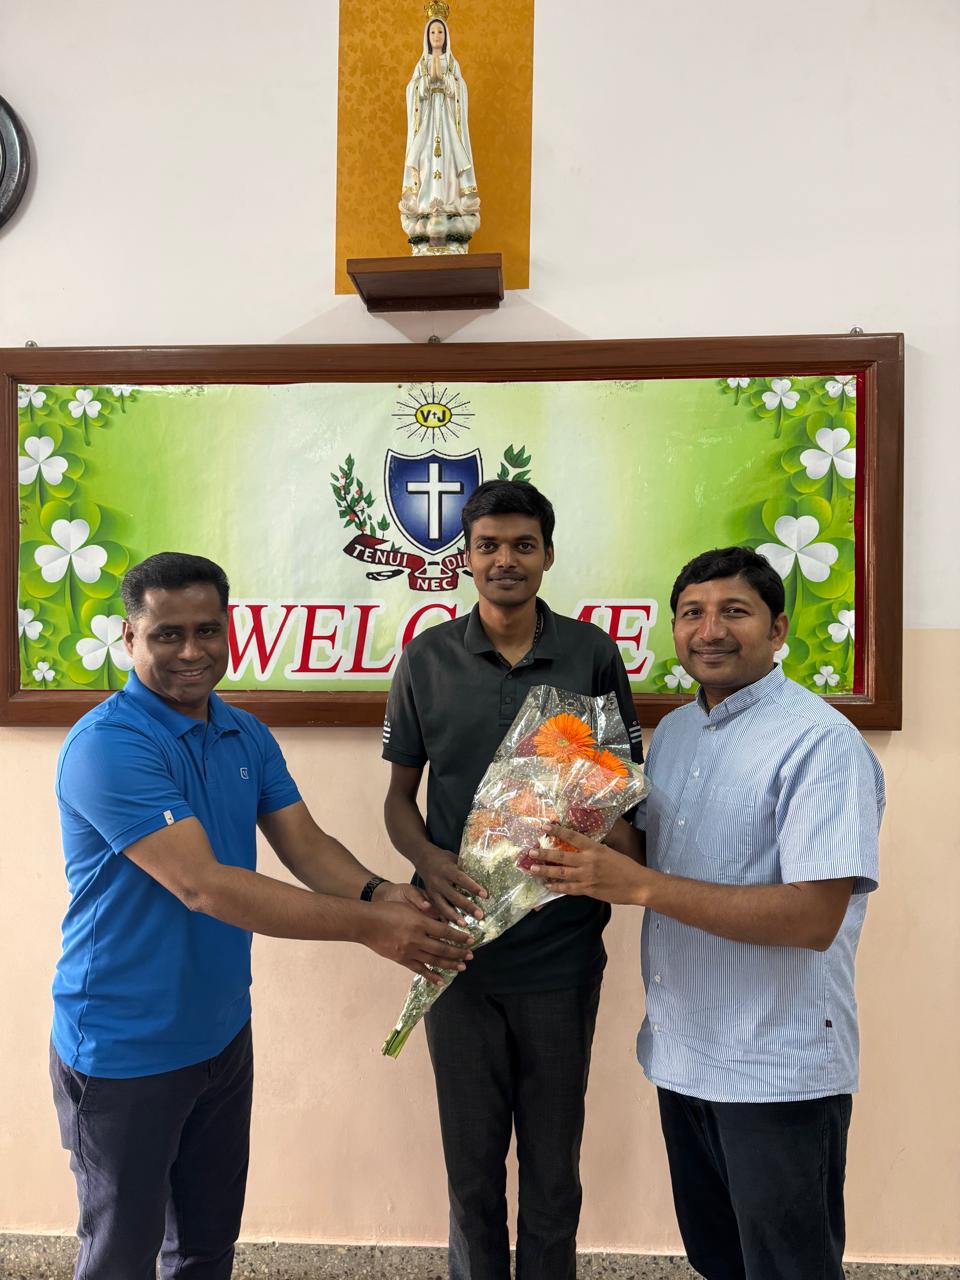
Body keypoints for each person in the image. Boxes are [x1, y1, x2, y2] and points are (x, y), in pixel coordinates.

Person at [50, 552, 472, 1280]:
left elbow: (304, 843)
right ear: (129, 637)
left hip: (220, 1037)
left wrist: (378, 893)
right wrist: (372, 929)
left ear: (229, 629)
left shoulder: (244, 732)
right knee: (120, 1257)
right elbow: (205, 886)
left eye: (207, 630)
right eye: (168, 634)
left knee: (206, 1249)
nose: (191, 651)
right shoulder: (108, 745)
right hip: (123, 1050)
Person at [529, 545, 884, 1280]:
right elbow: (653, 851)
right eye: (692, 613)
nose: (710, 630)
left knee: (788, 1268)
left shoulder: (819, 743)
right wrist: (572, 806)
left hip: (773, 1068)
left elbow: (812, 918)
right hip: (684, 1055)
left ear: (778, 629)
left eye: (734, 612)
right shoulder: (679, 733)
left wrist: (637, 885)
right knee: (718, 1260)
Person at [382, 480, 643, 1280]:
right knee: (471, 1172)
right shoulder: (425, 659)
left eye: (523, 545)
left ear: (548, 556)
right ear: (465, 558)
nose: (506, 560)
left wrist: (603, 848)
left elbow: (619, 792)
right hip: (455, 952)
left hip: (560, 952)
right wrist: (429, 860)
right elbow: (398, 800)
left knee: (553, 1172)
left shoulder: (592, 654)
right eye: (489, 545)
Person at [399, 13, 481, 250]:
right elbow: (412, 91)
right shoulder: (422, 65)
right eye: (433, 32)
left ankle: (450, 207)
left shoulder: (452, 64)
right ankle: (426, 208)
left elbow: (461, 89)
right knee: (426, 161)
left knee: (449, 164)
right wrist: (424, 84)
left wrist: (448, 83)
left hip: (446, 125)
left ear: (446, 36)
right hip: (427, 127)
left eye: (440, 32)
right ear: (427, 36)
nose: (436, 36)